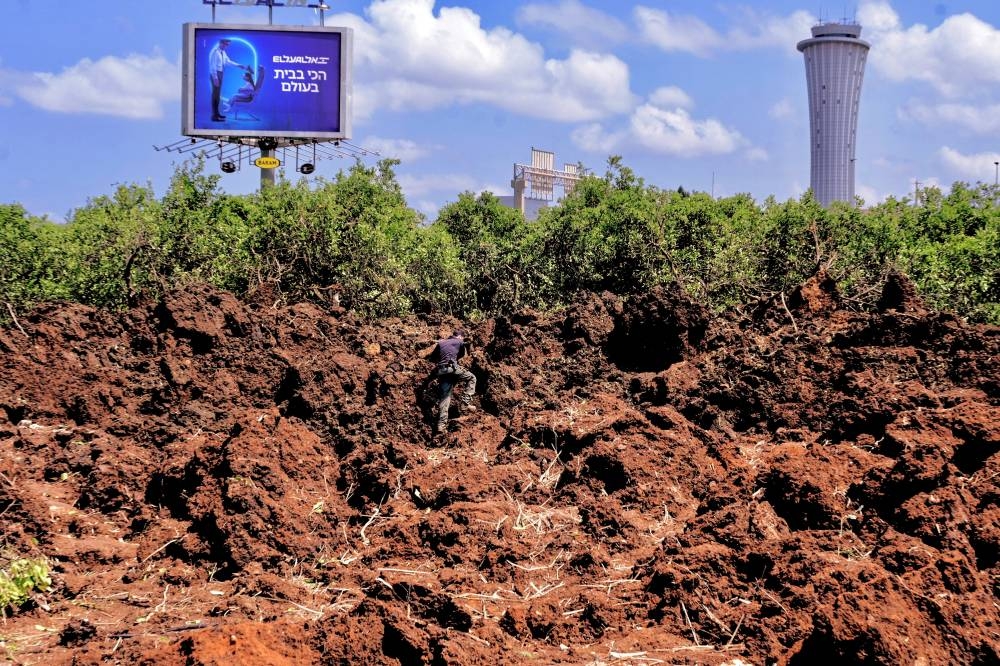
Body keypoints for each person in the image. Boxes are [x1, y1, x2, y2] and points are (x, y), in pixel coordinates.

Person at [423, 330, 477, 436]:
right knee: (471, 378)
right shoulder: (460, 342)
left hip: (441, 371)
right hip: (452, 368)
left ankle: (441, 426)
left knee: (445, 398)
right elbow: (462, 355)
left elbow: (433, 358)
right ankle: (465, 404)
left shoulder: (441, 342)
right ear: (460, 336)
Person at [208, 38, 248, 121]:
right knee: (215, 95)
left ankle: (217, 114)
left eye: (228, 45)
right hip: (216, 74)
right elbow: (212, 66)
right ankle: (214, 116)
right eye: (226, 44)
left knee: (217, 95)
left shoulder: (223, 52)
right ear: (221, 43)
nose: (227, 46)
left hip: (221, 73)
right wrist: (215, 78)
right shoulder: (215, 51)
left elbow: (228, 61)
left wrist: (239, 65)